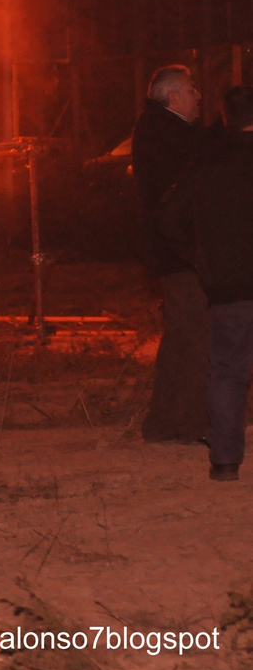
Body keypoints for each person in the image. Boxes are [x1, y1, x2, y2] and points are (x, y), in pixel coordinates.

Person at [162, 86, 253, 481]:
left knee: (228, 370)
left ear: (225, 118)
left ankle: (226, 460)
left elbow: (168, 219)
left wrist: (199, 257)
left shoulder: (208, 165)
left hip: (229, 284)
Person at [133, 64, 210, 445]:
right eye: (192, 90)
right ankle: (193, 422)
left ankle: (164, 422)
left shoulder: (156, 129)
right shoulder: (171, 133)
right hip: (184, 253)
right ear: (174, 96)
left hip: (173, 252)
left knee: (181, 335)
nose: (198, 97)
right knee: (197, 335)